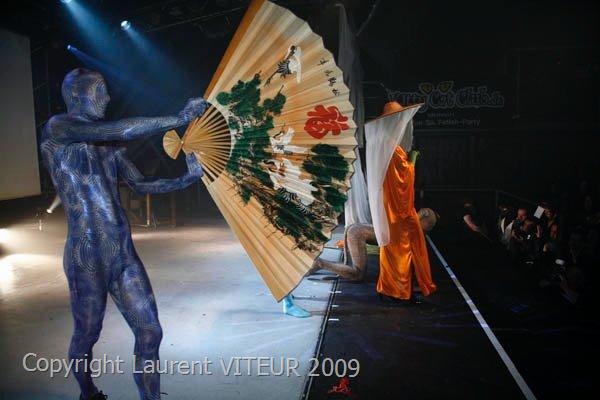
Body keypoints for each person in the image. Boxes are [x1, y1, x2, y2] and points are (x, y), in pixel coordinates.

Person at [40, 68, 207, 400]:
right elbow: (120, 127)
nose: (108, 96)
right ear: (76, 94)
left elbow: (140, 183)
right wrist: (178, 118)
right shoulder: (59, 127)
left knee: (150, 332)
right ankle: (87, 391)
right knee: (88, 333)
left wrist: (186, 179)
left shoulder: (108, 144)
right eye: (99, 89)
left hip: (122, 252)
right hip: (87, 254)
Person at [377, 148, 436, 303]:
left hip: (392, 212)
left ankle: (391, 289)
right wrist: (413, 158)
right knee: (401, 253)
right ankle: (398, 291)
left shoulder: (386, 149)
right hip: (399, 214)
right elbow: (404, 178)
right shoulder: (393, 150)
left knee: (394, 252)